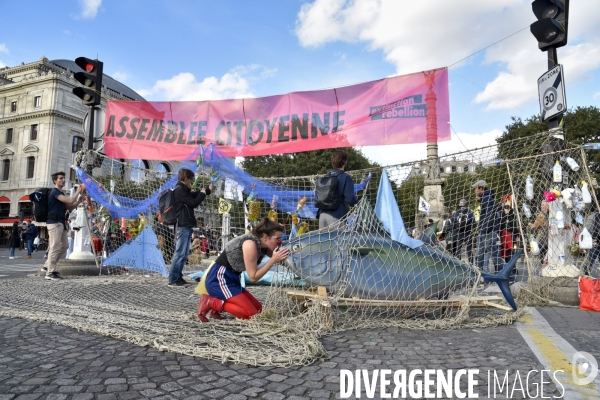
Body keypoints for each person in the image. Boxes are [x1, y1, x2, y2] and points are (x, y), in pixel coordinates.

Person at [198, 217, 289, 322]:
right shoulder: (250, 244)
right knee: (252, 316)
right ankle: (211, 302)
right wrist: (273, 260)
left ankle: (217, 308)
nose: (279, 242)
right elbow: (253, 277)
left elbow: (279, 257)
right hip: (219, 279)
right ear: (265, 237)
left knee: (259, 311)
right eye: (277, 239)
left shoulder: (264, 245)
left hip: (232, 278)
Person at [168, 168, 212, 287]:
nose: (191, 181)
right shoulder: (180, 190)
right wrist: (202, 194)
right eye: (191, 179)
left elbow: (192, 195)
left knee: (184, 253)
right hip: (182, 224)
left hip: (186, 223)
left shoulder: (183, 189)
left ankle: (178, 276)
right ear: (186, 178)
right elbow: (193, 202)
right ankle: (172, 279)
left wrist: (206, 191)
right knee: (180, 252)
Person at [43, 171, 85, 280]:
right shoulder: (54, 192)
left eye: (63, 178)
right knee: (55, 246)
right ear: (55, 181)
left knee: (65, 246)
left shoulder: (61, 194)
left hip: (61, 222)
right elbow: (70, 199)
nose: (63, 180)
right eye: (60, 178)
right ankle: (50, 272)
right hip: (54, 222)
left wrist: (79, 200)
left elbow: (70, 207)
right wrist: (78, 192)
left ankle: (47, 266)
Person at [316, 150, 358, 229]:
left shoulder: (326, 177)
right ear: (344, 162)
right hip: (336, 216)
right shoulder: (346, 177)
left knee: (324, 241)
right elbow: (350, 200)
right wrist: (359, 204)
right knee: (340, 241)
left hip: (322, 216)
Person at [472, 179, 505, 273]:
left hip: (487, 232)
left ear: (481, 188)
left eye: (476, 189)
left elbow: (490, 215)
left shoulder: (487, 199)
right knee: (481, 254)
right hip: (485, 231)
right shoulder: (486, 198)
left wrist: (484, 230)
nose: (475, 191)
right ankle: (480, 273)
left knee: (492, 254)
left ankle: (503, 272)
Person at [451, 199, 475, 263]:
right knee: (469, 250)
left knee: (458, 250)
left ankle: (458, 264)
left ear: (460, 205)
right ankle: (471, 264)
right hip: (468, 233)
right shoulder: (470, 212)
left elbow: (453, 225)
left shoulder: (456, 213)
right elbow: (474, 224)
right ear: (466, 205)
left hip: (459, 233)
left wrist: (456, 230)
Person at [528, 200, 549, 266]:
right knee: (544, 253)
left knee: (542, 253)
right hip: (546, 237)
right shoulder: (545, 213)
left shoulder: (542, 214)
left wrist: (530, 224)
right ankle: (544, 266)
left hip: (544, 238)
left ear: (547, 206)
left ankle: (544, 266)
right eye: (541, 204)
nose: (541, 206)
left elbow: (535, 225)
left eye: (543, 205)